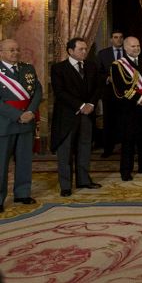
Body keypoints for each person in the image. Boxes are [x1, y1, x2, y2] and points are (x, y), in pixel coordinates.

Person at [50, 37, 102, 197]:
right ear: (70, 51)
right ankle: (65, 185)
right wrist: (81, 106)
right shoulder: (58, 68)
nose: (85, 51)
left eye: (86, 49)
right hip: (67, 116)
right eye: (81, 49)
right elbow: (60, 92)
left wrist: (91, 105)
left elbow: (97, 88)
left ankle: (84, 180)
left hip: (87, 115)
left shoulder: (92, 66)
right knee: (65, 152)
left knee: (85, 148)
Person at [0, 39, 42, 212]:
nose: (15, 53)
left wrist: (31, 112)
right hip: (5, 123)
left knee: (24, 160)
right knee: (1, 163)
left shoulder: (27, 68)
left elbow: (38, 91)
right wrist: (18, 115)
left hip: (27, 121)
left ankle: (22, 193)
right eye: (11, 50)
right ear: (1, 52)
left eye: (17, 49)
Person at [111, 36, 142, 180]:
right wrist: (139, 98)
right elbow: (120, 88)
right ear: (125, 48)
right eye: (133, 46)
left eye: (138, 46)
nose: (136, 48)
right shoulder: (118, 65)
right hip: (129, 109)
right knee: (128, 141)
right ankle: (126, 171)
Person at [96, 30, 125, 157]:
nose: (118, 39)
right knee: (109, 121)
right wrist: (108, 78)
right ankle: (108, 149)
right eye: (115, 37)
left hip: (126, 93)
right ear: (111, 39)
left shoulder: (128, 52)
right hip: (109, 93)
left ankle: (126, 148)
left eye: (120, 37)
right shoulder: (103, 54)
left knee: (125, 120)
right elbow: (97, 72)